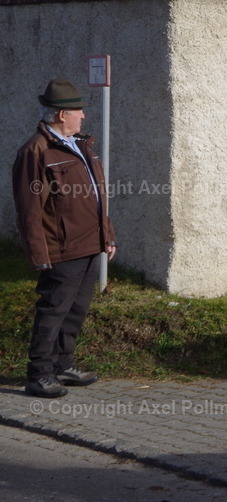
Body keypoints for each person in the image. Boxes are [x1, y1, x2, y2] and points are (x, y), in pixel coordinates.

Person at [12, 79, 116, 398]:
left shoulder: (79, 145)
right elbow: (30, 209)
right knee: (53, 308)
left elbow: (97, 197)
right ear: (60, 115)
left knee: (76, 309)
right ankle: (39, 373)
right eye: (77, 110)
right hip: (61, 248)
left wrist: (107, 236)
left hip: (89, 243)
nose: (83, 115)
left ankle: (62, 366)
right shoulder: (36, 151)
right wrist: (39, 254)